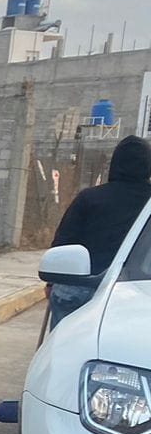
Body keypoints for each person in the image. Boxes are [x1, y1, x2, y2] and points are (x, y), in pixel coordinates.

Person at [48, 135, 151, 328]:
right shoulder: (149, 205)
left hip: (83, 286)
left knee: (64, 305)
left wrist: (51, 282)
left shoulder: (89, 198)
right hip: (136, 291)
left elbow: (63, 243)